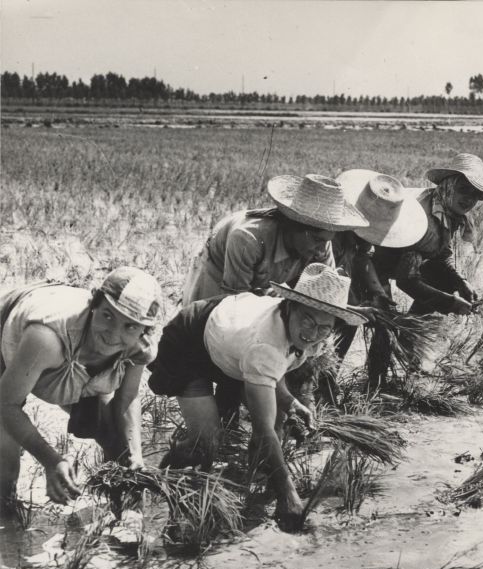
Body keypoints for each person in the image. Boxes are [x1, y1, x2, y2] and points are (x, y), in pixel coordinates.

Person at [147, 264, 366, 531]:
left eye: (324, 327)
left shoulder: (316, 337)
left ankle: (247, 489)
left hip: (231, 335)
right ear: (289, 307)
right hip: (190, 337)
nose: (312, 333)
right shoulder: (265, 345)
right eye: (308, 319)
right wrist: (288, 493)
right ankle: (160, 477)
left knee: (278, 419)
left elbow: (279, 367)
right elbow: (263, 427)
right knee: (207, 441)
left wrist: (290, 401)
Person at [0, 267, 162, 513]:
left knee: (119, 441)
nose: (113, 335)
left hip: (74, 357)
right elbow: (6, 404)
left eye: (130, 326)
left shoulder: (139, 348)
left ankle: (124, 523)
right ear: (93, 305)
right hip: (13, 328)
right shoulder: (46, 337)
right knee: (5, 466)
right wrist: (51, 460)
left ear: (144, 331)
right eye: (108, 316)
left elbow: (127, 397)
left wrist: (136, 453)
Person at [368, 153, 483, 385]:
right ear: (447, 186)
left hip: (397, 259)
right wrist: (450, 303)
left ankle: (410, 350)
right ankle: (374, 386)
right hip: (371, 259)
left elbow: (440, 256)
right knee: (384, 320)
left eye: (475, 194)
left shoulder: (446, 210)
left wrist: (460, 281)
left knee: (444, 280)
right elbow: (406, 280)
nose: (469, 199)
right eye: (463, 189)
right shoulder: (424, 219)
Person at [316, 169, 427, 403]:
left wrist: (376, 291)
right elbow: (323, 286)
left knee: (353, 317)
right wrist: (353, 306)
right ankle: (320, 384)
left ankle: (327, 379)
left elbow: (362, 258)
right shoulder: (329, 236)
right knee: (338, 321)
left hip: (341, 282)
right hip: (319, 287)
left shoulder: (360, 239)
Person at [182, 173, 368, 304]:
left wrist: (352, 310)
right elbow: (234, 303)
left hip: (261, 283)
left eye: (327, 241)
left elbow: (323, 296)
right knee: (207, 333)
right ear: (295, 226)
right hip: (218, 276)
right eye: (317, 241)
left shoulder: (320, 242)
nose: (322, 250)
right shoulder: (248, 238)